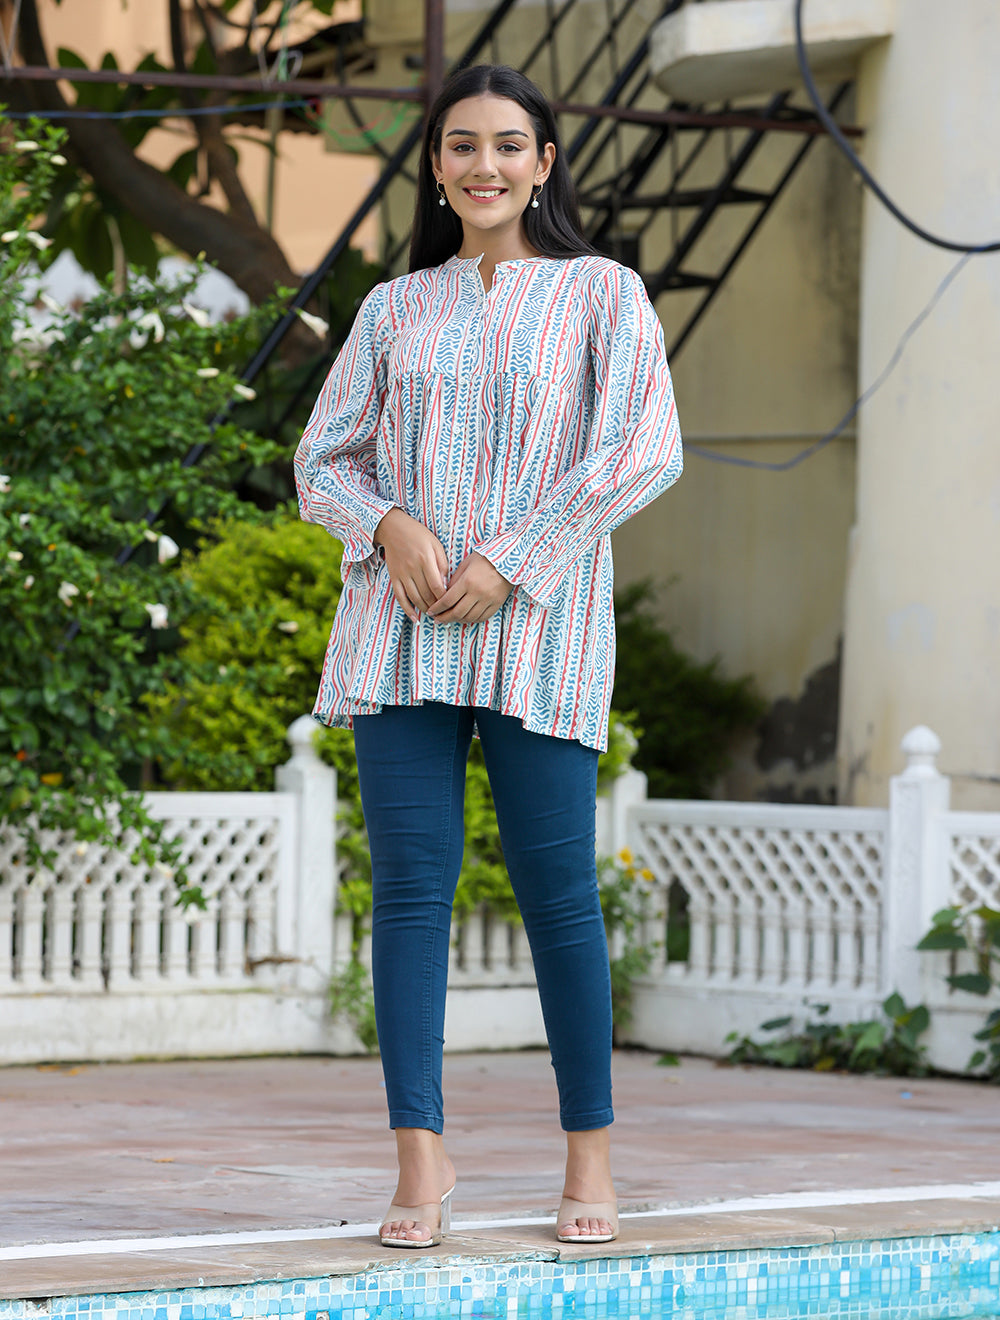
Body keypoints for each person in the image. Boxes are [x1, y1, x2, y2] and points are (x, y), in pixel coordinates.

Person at [294, 63, 683, 1250]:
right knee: (408, 896)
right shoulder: (391, 310)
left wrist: (513, 557)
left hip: (540, 633)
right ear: (435, 165)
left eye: (508, 145)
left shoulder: (602, 296)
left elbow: (643, 452)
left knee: (559, 898)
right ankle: (421, 1163)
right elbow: (322, 463)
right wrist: (389, 526)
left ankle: (590, 1158)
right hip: (398, 634)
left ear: (545, 163)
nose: (484, 166)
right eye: (461, 145)